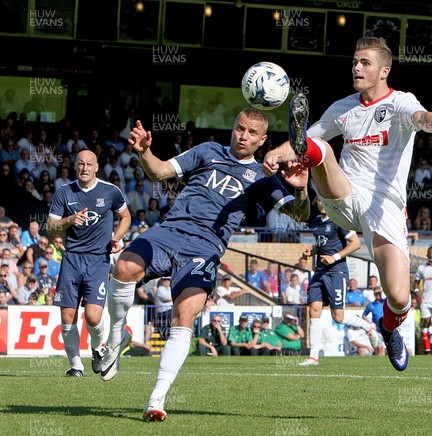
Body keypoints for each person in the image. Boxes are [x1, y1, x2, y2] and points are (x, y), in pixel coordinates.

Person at [263, 36, 432, 371]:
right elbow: (309, 136)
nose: (356, 67)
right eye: (354, 61)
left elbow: (421, 117)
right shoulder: (342, 108)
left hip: (384, 208)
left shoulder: (400, 103)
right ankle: (306, 171)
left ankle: (389, 327)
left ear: (384, 70)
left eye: (364, 62)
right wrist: (274, 154)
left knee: (399, 297)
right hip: (345, 196)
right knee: (318, 148)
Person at [102, 110, 309, 422]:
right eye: (240, 128)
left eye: (253, 133)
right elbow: (158, 172)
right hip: (170, 231)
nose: (244, 136)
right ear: (233, 128)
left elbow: (300, 214)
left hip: (206, 248)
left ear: (263, 140)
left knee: (183, 316)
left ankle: (156, 399)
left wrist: (302, 189)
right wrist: (145, 151)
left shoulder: (264, 178)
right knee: (124, 268)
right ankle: (117, 335)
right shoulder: (206, 151)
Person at [47, 149, 131, 377]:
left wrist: (116, 238)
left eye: (89, 164)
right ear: (76, 167)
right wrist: (69, 220)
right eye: (80, 164)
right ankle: (76, 365)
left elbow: (126, 217)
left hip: (98, 261)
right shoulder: (64, 192)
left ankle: (97, 348)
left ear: (96, 167)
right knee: (67, 317)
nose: (84, 168)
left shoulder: (110, 191)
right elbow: (51, 226)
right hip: (72, 259)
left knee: (93, 317)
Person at [298, 198, 376, 366]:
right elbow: (321, 245)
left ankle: (367, 327)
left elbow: (356, 243)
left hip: (336, 272)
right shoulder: (316, 221)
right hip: (319, 271)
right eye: (317, 200)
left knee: (338, 317)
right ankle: (313, 357)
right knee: (314, 309)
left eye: (322, 200)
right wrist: (310, 252)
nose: (320, 203)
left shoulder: (339, 220)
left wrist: (334, 257)